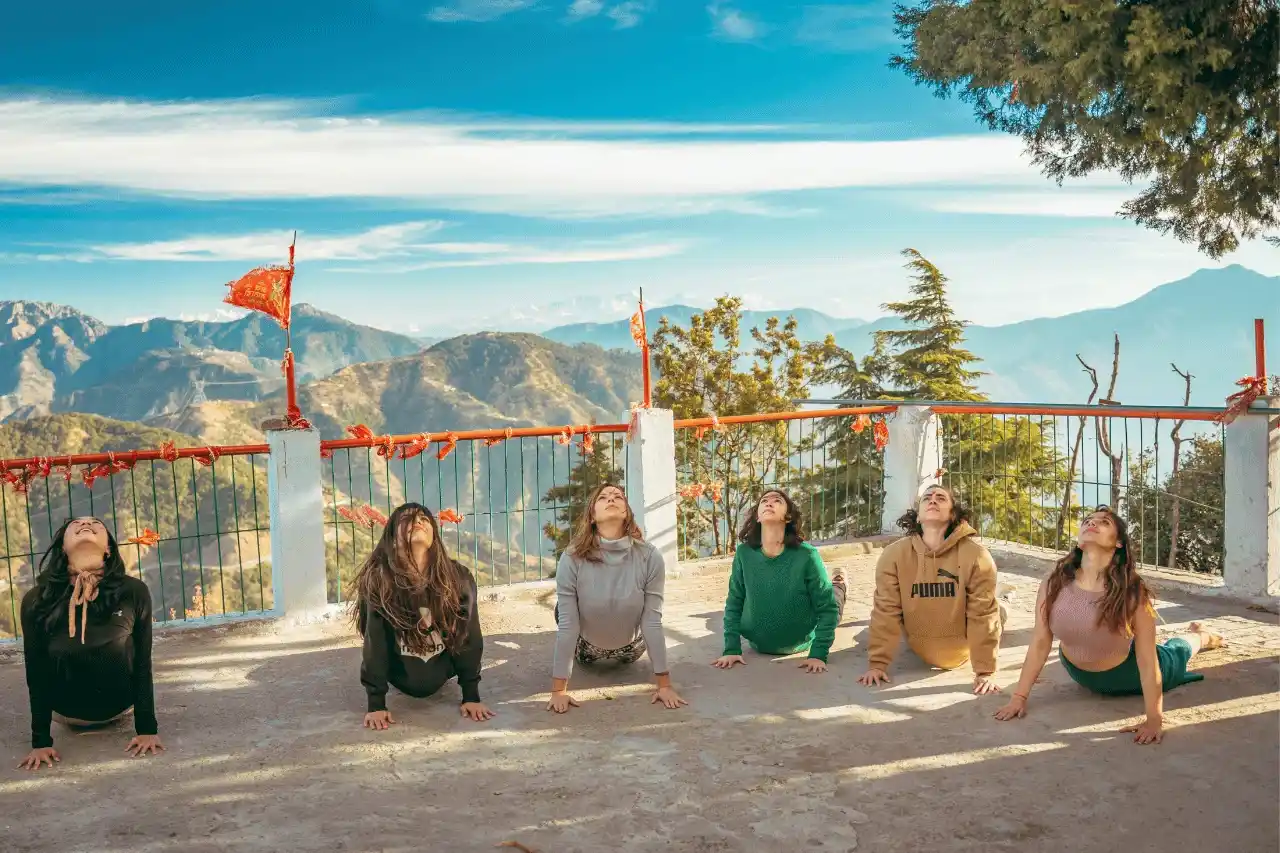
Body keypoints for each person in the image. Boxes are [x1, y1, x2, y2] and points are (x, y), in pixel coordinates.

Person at [994, 506, 1223, 744]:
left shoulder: (1133, 592)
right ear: (1080, 541)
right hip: (1077, 671)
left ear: (1119, 543)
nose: (1092, 523)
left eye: (1104, 522)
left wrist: (1154, 719)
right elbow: (1041, 641)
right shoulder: (1055, 580)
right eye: (1088, 520)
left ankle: (1201, 636)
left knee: (1177, 652)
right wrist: (1018, 697)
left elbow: (1147, 661)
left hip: (1126, 674)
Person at [18, 516, 163, 771]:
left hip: (120, 708)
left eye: (96, 524)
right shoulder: (37, 600)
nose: (85, 524)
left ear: (108, 548)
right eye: (76, 525)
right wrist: (40, 741)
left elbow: (142, 662)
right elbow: (36, 670)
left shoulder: (133, 592)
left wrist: (147, 729)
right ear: (63, 547)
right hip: (65, 714)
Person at [351, 502, 495, 729]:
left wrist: (471, 695)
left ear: (434, 537)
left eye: (424, 519)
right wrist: (376, 704)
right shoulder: (379, 582)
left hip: (443, 670)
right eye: (407, 519)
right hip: (397, 674)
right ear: (392, 537)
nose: (417, 522)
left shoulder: (458, 578)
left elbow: (469, 637)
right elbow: (374, 643)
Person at [548, 483, 686, 714]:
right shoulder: (571, 558)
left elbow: (652, 621)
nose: (611, 499)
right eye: (603, 497)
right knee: (562, 612)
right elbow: (569, 625)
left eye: (618, 497)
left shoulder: (650, 556)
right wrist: (558, 691)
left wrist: (665, 685)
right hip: (587, 650)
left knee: (646, 614)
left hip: (632, 648)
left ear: (626, 512)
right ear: (592, 516)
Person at [859, 485, 1004, 695]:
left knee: (998, 612)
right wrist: (877, 664)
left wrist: (985, 672)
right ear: (917, 516)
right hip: (919, 646)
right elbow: (885, 610)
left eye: (941, 498)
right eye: (927, 498)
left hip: (961, 649)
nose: (933, 500)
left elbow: (983, 616)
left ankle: (1005, 596)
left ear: (953, 515)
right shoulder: (894, 555)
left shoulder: (977, 556)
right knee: (864, 634)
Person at [712, 489, 845, 673]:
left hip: (801, 641)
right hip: (759, 643)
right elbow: (735, 600)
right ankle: (837, 582)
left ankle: (840, 583)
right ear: (757, 517)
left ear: (788, 517)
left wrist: (818, 653)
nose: (769, 503)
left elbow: (827, 608)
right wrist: (731, 648)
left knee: (834, 600)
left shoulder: (807, 555)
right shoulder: (744, 554)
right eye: (764, 500)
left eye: (777, 501)